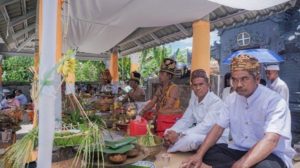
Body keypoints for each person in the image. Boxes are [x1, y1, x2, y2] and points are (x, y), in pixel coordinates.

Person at [182, 54, 295, 168]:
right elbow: (218, 128)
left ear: (257, 79)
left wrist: (241, 164)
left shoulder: (275, 101)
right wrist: (199, 155)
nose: (238, 84)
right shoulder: (231, 99)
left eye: (244, 79)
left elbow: (271, 140)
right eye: (234, 80)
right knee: (208, 151)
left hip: (269, 154)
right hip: (239, 150)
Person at [163, 69, 229, 152]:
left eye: (201, 84)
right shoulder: (194, 98)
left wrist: (179, 135)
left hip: (218, 138)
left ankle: (170, 149)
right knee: (168, 131)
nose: (198, 88)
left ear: (208, 85)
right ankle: (171, 142)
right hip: (202, 134)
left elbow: (205, 127)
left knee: (190, 139)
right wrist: (172, 131)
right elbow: (186, 120)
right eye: (195, 85)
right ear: (192, 87)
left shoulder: (215, 102)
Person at [140, 58, 183, 137]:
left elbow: (168, 106)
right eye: (160, 73)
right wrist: (142, 111)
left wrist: (156, 115)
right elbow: (152, 102)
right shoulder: (160, 88)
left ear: (169, 76)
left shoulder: (174, 88)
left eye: (162, 74)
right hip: (160, 116)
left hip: (169, 119)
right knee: (145, 114)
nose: (159, 76)